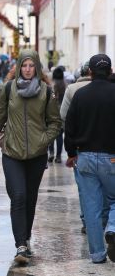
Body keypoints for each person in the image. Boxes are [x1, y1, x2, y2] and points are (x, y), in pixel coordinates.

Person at [0, 50, 61, 264]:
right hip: (12, 153)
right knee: (19, 196)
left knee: (29, 199)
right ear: (19, 67)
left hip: (36, 156)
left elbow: (56, 123)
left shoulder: (46, 92)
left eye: (32, 66)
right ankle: (20, 246)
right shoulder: (8, 89)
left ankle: (26, 238)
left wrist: (43, 140)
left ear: (37, 68)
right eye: (24, 65)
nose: (28, 69)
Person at [64, 54, 115, 264]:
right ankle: (112, 227)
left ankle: (97, 255)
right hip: (112, 158)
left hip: (84, 157)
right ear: (111, 71)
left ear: (90, 73)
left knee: (91, 207)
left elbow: (69, 126)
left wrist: (71, 154)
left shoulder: (80, 95)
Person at [59, 61, 92, 234]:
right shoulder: (109, 88)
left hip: (80, 145)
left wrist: (70, 144)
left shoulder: (72, 90)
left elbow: (63, 116)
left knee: (84, 186)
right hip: (106, 145)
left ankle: (86, 220)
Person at [48, 67, 67, 164]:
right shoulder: (65, 85)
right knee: (59, 135)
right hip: (62, 113)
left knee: (51, 134)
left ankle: (51, 153)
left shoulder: (52, 85)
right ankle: (58, 156)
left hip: (52, 112)